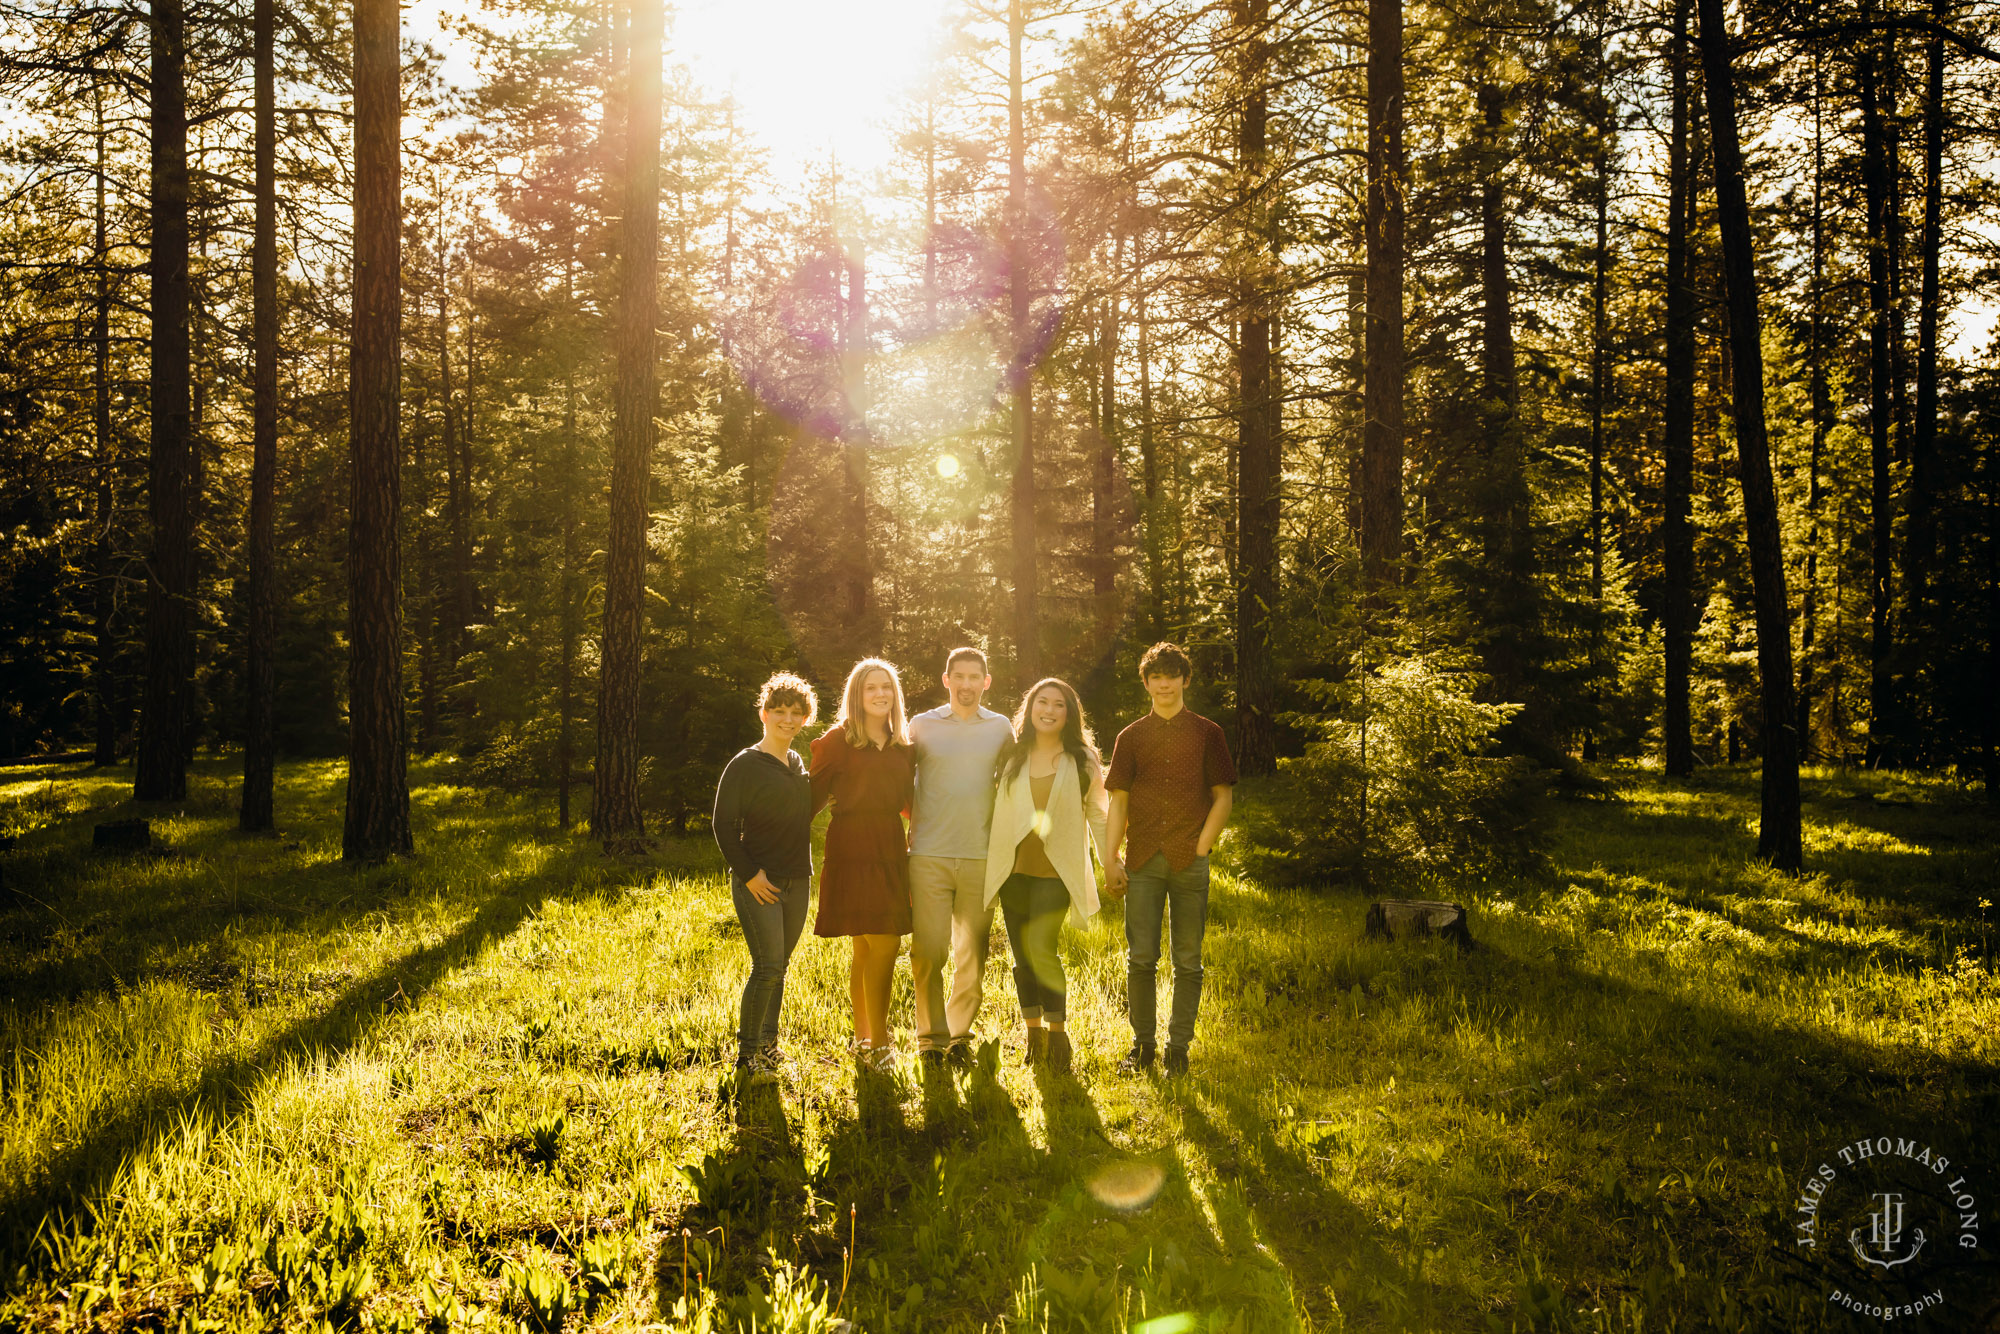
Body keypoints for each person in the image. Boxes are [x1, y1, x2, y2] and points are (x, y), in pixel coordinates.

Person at [1104, 642, 1237, 1077]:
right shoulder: (1131, 737)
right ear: (1146, 683)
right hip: (1141, 860)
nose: (1164, 683)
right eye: (1156, 676)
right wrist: (1111, 859)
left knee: (1188, 960)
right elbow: (1118, 802)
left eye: (1171, 675)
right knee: (1140, 957)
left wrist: (1201, 848)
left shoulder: (1207, 733)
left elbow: (1223, 796)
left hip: (1189, 861)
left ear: (1184, 679)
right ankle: (1142, 1046)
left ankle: (1177, 1049)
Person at [983, 677, 1113, 1074]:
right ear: (1031, 707)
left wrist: (1113, 862)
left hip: (1056, 872)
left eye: (1059, 704)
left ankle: (1058, 1034)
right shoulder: (1011, 755)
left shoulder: (1082, 759)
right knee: (1022, 956)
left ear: (1070, 714)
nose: (1050, 710)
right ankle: (1033, 1033)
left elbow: (1098, 814)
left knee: (1042, 947)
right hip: (1013, 870)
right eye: (1043, 702)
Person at [907, 647, 1014, 1069]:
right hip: (928, 854)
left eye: (976, 677)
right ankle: (929, 1040)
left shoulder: (1001, 727)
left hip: (981, 856)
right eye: (960, 676)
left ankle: (958, 1037)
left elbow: (1018, 780)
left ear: (986, 682)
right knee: (928, 950)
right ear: (946, 679)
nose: (967, 684)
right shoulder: (921, 726)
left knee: (972, 952)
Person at [811, 658, 916, 1074]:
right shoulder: (837, 741)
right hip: (851, 846)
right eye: (871, 687)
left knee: (869, 946)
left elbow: (911, 803)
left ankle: (863, 1039)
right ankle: (880, 1042)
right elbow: (809, 800)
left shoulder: (903, 745)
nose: (880, 694)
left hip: (890, 845)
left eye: (886, 687)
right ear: (857, 695)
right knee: (882, 943)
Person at [712, 673, 818, 1083]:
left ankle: (769, 1048)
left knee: (781, 966)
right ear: (764, 713)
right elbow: (723, 825)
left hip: (798, 880)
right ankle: (748, 1057)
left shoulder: (796, 763)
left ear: (805, 718)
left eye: (796, 713)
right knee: (767, 966)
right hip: (759, 881)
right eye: (780, 712)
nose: (787, 720)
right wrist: (750, 875)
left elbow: (796, 815)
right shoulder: (745, 764)